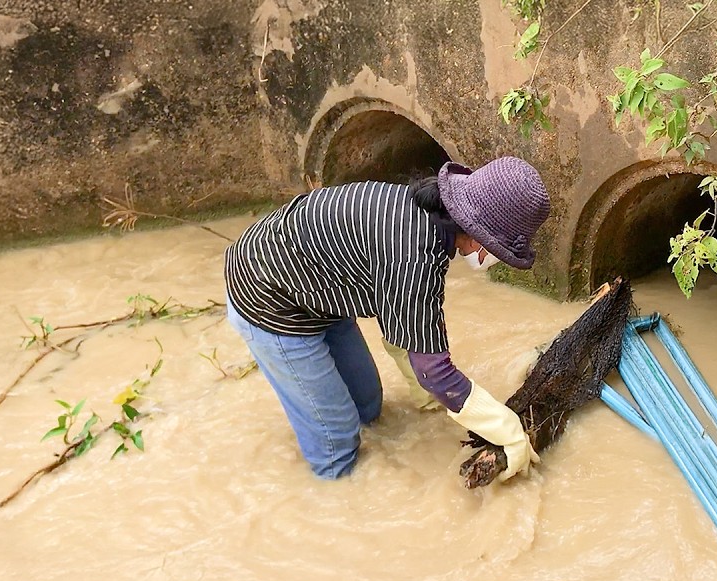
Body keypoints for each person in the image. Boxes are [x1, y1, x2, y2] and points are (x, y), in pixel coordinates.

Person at [223, 156, 549, 482]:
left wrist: (429, 392)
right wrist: (505, 429)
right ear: (481, 238)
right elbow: (433, 370)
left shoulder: (429, 220)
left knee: (368, 407)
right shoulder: (415, 254)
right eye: (500, 251)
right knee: (338, 443)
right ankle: (336, 494)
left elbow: (402, 313)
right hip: (269, 300)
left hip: (321, 289)